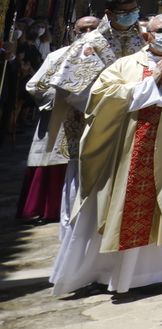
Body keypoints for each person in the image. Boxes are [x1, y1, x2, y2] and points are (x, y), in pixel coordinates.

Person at [51, 14, 162, 296]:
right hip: (125, 153)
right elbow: (100, 99)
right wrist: (148, 84)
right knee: (113, 206)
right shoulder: (125, 65)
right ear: (146, 35)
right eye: (161, 30)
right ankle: (105, 272)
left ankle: (151, 272)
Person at [17, 18, 100, 224]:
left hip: (92, 120)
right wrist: (61, 96)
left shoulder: (108, 59)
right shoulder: (58, 56)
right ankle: (44, 207)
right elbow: (36, 86)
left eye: (93, 28)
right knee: (52, 159)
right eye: (84, 28)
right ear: (74, 30)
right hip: (59, 117)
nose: (88, 32)